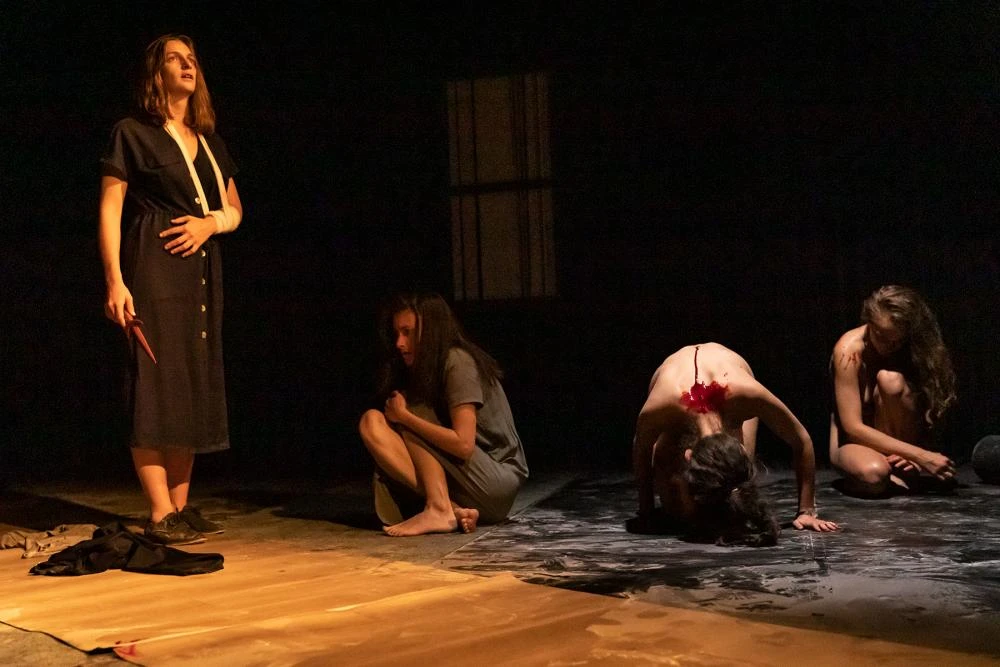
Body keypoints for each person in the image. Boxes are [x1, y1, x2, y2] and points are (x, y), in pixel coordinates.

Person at [98, 34, 243, 545]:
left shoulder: (210, 142)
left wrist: (211, 225)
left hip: (201, 269)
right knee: (155, 381)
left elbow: (234, 208)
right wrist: (115, 280)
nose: (187, 65)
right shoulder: (132, 133)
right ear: (155, 74)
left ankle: (180, 507)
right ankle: (160, 511)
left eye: (192, 59)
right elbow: (111, 207)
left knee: (189, 382)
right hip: (155, 265)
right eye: (174, 59)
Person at [630, 343, 837, 546]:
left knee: (732, 505)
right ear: (688, 455)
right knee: (679, 512)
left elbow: (801, 440)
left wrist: (806, 511)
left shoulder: (747, 395)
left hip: (734, 403)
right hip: (675, 407)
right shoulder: (661, 406)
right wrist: (646, 511)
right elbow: (641, 450)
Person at [358, 292, 529, 537]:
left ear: (430, 330)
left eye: (407, 332)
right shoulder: (423, 367)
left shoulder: (458, 361)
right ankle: (453, 509)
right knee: (371, 422)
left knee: (411, 410)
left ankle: (439, 507)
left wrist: (406, 417)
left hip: (496, 480)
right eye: (397, 333)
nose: (399, 343)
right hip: (466, 481)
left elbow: (463, 445)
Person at [829, 285, 957, 496]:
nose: (890, 346)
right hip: (853, 441)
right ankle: (888, 471)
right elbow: (852, 428)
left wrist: (913, 452)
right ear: (869, 324)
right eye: (882, 337)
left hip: (899, 441)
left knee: (891, 381)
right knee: (874, 475)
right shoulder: (848, 352)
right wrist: (921, 456)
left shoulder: (912, 347)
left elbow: (929, 410)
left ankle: (900, 468)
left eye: (898, 340)